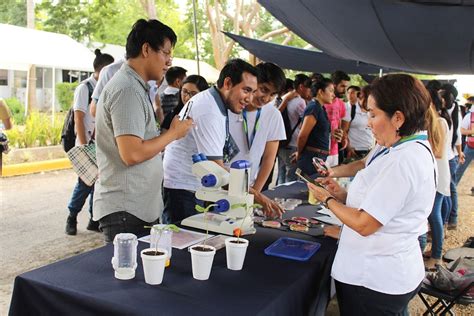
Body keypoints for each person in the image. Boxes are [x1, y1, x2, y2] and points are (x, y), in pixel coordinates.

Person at [308, 74, 436, 315]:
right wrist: (344, 195)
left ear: (398, 118)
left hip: (374, 280)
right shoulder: (399, 147)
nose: (368, 123)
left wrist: (327, 198)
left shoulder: (403, 160)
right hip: (384, 273)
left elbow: (365, 224)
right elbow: (382, 202)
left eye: (373, 114)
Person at [93, 19, 193, 242]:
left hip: (136, 208)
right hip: (126, 211)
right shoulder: (127, 89)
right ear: (146, 49)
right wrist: (173, 134)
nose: (169, 61)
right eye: (165, 53)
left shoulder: (135, 86)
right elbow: (133, 154)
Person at [162, 58, 260, 224]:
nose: (249, 99)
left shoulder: (215, 103)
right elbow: (217, 170)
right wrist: (257, 197)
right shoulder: (209, 110)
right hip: (184, 188)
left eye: (252, 92)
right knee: (184, 243)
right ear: (228, 83)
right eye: (246, 90)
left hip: (190, 185)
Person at [65, 49, 114, 236]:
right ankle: (72, 216)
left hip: (101, 145)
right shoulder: (85, 88)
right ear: (102, 70)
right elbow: (79, 118)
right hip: (86, 144)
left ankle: (94, 219)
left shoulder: (106, 87)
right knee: (85, 183)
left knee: (98, 182)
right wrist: (84, 147)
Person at [227, 62, 286, 210]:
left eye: (273, 94)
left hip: (249, 186)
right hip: (220, 181)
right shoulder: (230, 107)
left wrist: (255, 193)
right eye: (264, 90)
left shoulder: (273, 115)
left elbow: (268, 159)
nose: (266, 98)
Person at [277, 74, 311, 183]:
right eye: (308, 87)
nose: (310, 91)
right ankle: (287, 200)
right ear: (301, 87)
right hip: (293, 143)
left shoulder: (284, 98)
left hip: (281, 141)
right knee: (291, 176)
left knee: (281, 174)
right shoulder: (300, 101)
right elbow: (304, 124)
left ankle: (278, 199)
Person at [296, 78, 333, 176]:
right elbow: (302, 135)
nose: (333, 95)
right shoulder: (314, 107)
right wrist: (299, 154)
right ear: (320, 92)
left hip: (318, 156)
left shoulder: (321, 108)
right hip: (312, 157)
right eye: (331, 91)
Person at [440, 84, 464, 230]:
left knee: (449, 188)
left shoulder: (451, 112)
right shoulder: (449, 110)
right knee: (449, 188)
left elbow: (458, 135)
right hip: (450, 154)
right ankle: (450, 218)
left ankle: (451, 218)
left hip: (449, 155)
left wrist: (459, 152)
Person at [325, 70, 350, 167]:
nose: (345, 90)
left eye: (346, 86)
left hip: (335, 150)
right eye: (342, 86)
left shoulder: (341, 103)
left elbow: (338, 125)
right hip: (320, 150)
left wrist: (343, 136)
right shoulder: (320, 103)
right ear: (334, 85)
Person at [344, 85, 374, 160]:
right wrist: (348, 148)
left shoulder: (372, 110)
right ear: (361, 97)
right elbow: (344, 130)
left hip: (369, 150)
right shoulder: (350, 109)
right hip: (353, 151)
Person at [455, 103, 474, 185]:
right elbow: (461, 131)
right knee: (460, 168)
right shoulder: (469, 116)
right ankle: (453, 186)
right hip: (470, 146)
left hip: (470, 145)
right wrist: (471, 132)